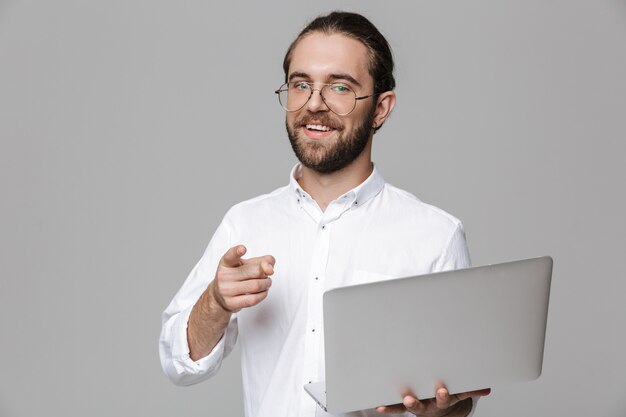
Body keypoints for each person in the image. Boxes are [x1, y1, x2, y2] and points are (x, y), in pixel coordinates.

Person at [159, 11, 491, 417]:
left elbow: (458, 399)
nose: (314, 104)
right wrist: (215, 301)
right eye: (301, 85)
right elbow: (179, 363)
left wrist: (438, 409)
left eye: (339, 87)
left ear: (381, 109)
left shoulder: (435, 235)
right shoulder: (245, 224)